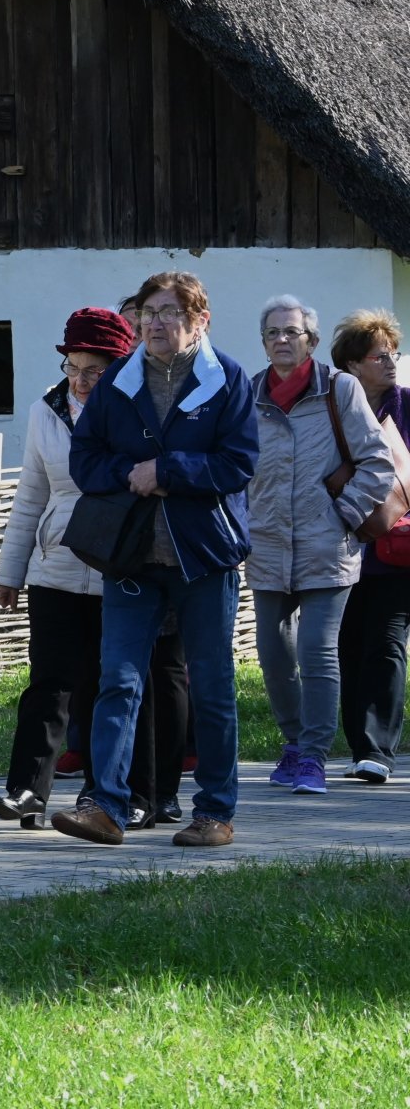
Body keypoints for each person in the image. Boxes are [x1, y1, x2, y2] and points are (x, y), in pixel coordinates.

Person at [56, 270, 258, 847]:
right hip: (133, 557)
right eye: (149, 312)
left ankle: (215, 813)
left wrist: (166, 472)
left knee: (213, 688)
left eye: (172, 312)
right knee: (118, 679)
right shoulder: (118, 378)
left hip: (205, 558)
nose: (158, 323)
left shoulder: (227, 380)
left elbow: (238, 464)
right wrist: (131, 475)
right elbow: (85, 457)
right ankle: (107, 807)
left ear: (201, 320)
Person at [0, 308, 134, 827]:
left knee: (108, 682)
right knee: (49, 681)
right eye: (73, 366)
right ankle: (27, 790)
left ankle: (106, 796)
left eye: (94, 370)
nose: (80, 380)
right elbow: (31, 495)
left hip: (120, 561)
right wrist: (11, 571)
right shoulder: (44, 411)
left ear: (119, 366)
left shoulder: (136, 409)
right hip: (56, 564)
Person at [245, 294, 391, 795]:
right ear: (263, 342)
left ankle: (313, 757)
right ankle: (292, 745)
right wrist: (244, 525)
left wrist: (343, 516)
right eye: (273, 333)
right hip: (265, 546)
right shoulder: (248, 394)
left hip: (326, 544)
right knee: (273, 653)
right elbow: (236, 470)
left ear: (309, 339)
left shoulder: (340, 388)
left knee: (317, 650)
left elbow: (378, 463)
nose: (282, 340)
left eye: (292, 332)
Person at [331, 309, 410, 783]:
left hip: (397, 553)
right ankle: (360, 744)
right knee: (348, 646)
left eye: (393, 353)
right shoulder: (333, 409)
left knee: (385, 643)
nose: (391, 362)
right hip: (342, 549)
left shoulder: (408, 406)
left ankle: (378, 750)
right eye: (380, 356)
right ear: (353, 365)